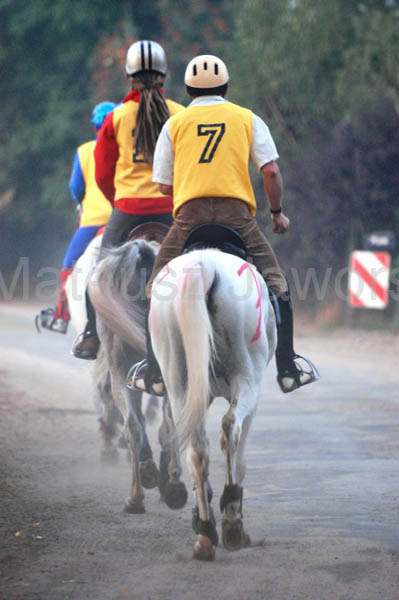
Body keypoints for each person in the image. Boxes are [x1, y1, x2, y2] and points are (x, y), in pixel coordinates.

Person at [129, 54, 319, 395]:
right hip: (238, 219)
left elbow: (162, 185)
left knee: (155, 288)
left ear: (187, 90)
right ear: (227, 87)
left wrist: (190, 183)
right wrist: (277, 212)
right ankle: (288, 367)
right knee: (277, 285)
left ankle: (153, 370)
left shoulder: (175, 124)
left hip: (188, 219)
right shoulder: (247, 118)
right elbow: (271, 171)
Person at [71, 40, 185, 359]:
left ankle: (92, 334)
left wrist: (118, 201)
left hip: (128, 211)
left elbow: (103, 173)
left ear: (128, 75)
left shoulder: (116, 117)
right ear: (164, 75)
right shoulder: (179, 114)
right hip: (170, 212)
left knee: (97, 272)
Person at [38, 101, 116, 334]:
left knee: (69, 264)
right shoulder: (127, 149)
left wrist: (81, 204)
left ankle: (61, 316)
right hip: (124, 217)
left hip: (92, 222)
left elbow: (75, 189)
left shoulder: (84, 152)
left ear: (95, 127)